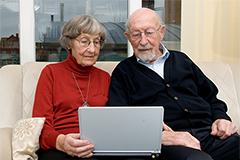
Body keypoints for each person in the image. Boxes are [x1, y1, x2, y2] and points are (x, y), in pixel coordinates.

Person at [108, 8, 239, 160]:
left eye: (149, 32)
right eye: (136, 34)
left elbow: (212, 98)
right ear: (128, 38)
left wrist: (220, 118)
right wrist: (158, 136)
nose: (143, 41)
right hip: (171, 143)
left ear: (161, 32)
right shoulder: (123, 72)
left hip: (210, 135)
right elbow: (119, 118)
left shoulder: (182, 60)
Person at [32, 15, 111, 160]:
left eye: (97, 42)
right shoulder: (51, 73)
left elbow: (114, 121)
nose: (92, 49)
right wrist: (61, 142)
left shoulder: (105, 77)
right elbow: (41, 125)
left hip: (97, 147)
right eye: (84, 42)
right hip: (59, 148)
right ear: (69, 44)